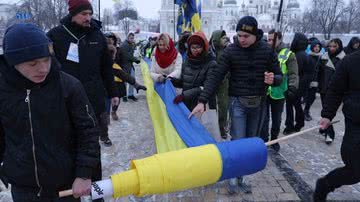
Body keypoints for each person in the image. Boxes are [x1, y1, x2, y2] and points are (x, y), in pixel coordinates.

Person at [0, 23, 100, 202]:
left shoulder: (69, 86)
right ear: (12, 61)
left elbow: (88, 131)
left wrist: (84, 173)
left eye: (47, 59)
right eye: (33, 63)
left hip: (64, 187)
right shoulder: (3, 90)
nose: (43, 68)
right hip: (23, 187)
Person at [190, 16, 282, 194]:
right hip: (237, 102)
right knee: (238, 140)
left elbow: (278, 76)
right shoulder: (231, 51)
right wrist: (202, 100)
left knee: (251, 141)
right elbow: (216, 76)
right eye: (239, 35)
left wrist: (274, 79)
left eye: (245, 36)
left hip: (259, 103)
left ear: (255, 34)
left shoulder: (267, 50)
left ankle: (244, 175)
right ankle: (233, 174)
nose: (241, 40)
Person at [46, 0, 117, 198]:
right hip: (64, 103)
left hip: (93, 101)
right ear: (72, 13)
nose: (88, 17)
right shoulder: (55, 35)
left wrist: (113, 93)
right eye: (84, 13)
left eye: (90, 13)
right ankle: (70, 192)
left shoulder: (98, 36)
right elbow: (47, 70)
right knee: (66, 147)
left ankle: (97, 194)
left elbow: (106, 69)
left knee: (92, 149)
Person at [314, 51, 360, 202]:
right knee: (355, 168)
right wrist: (327, 115)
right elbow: (335, 90)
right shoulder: (350, 61)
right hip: (356, 121)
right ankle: (325, 184)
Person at [173, 31, 221, 142]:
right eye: (192, 47)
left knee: (205, 134)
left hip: (204, 105)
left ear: (204, 47)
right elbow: (184, 81)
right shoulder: (187, 62)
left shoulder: (211, 64)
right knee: (190, 135)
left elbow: (206, 87)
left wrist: (184, 95)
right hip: (188, 104)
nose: (195, 50)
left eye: (198, 47)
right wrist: (172, 81)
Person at [261, 29, 299, 152]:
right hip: (265, 91)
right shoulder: (265, 52)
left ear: (280, 39)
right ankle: (265, 140)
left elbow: (293, 73)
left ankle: (274, 139)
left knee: (276, 118)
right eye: (268, 40)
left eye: (273, 39)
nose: (270, 42)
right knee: (264, 118)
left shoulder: (288, 54)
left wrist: (292, 87)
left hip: (279, 92)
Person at [105, 36, 146, 121]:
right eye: (109, 39)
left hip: (119, 77)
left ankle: (113, 111)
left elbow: (124, 62)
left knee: (117, 96)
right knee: (107, 99)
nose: (111, 41)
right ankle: (106, 115)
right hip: (109, 80)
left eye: (112, 39)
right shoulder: (104, 59)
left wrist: (135, 84)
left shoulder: (119, 50)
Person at [313, 38, 346, 144]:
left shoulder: (344, 59)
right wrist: (315, 84)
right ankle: (324, 128)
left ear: (339, 47)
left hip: (336, 90)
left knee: (329, 112)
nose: (331, 48)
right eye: (330, 46)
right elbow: (317, 71)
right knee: (326, 111)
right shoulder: (324, 57)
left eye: (334, 46)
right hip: (324, 88)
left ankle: (329, 134)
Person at [283, 33, 308, 135]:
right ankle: (299, 123)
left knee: (290, 105)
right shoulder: (304, 54)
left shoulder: (297, 55)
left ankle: (290, 126)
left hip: (295, 84)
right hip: (302, 84)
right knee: (297, 105)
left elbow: (294, 72)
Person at [209, 30, 231, 139]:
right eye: (223, 38)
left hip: (224, 84)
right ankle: (213, 129)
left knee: (223, 107)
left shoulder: (228, 50)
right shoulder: (210, 51)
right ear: (217, 39)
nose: (225, 39)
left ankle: (222, 128)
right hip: (212, 82)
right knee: (212, 107)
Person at [118, 33, 141, 102]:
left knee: (132, 80)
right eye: (131, 38)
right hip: (124, 66)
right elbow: (128, 56)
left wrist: (135, 44)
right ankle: (124, 95)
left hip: (129, 65)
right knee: (124, 81)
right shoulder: (124, 45)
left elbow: (132, 50)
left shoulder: (130, 44)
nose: (132, 39)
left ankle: (130, 94)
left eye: (133, 38)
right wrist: (136, 60)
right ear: (127, 38)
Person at [304, 39, 323, 121]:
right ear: (312, 47)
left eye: (318, 47)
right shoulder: (308, 57)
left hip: (316, 80)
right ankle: (306, 112)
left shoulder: (321, 57)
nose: (317, 48)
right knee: (309, 97)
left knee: (312, 97)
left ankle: (306, 110)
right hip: (308, 80)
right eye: (315, 46)